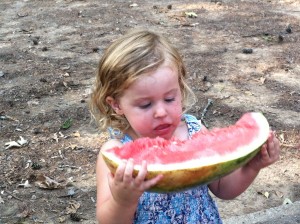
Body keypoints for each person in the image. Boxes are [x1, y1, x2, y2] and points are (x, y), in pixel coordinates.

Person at [90, 29, 280, 224]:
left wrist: (252, 167)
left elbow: (224, 188)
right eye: (146, 104)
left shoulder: (194, 130)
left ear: (180, 90)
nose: (161, 112)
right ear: (117, 104)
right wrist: (122, 201)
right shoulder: (115, 155)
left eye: (170, 98)